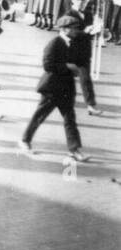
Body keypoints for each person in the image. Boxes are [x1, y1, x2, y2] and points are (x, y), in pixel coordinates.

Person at [20, 16, 89, 161]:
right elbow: (48, 65)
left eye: (77, 28)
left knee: (70, 118)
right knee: (40, 115)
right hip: (51, 87)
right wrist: (67, 67)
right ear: (64, 29)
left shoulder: (73, 42)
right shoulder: (54, 43)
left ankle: (74, 149)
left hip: (66, 88)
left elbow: (78, 59)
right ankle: (25, 140)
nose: (76, 30)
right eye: (73, 28)